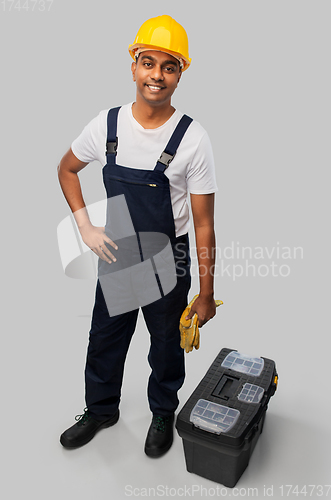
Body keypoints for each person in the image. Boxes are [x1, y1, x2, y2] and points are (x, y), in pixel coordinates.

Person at [57, 15, 218, 458]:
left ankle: (163, 412)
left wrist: (206, 293)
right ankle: (101, 409)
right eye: (149, 63)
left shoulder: (193, 139)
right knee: (105, 337)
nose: (157, 75)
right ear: (133, 66)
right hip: (120, 250)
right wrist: (86, 227)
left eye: (169, 67)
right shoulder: (106, 125)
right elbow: (67, 169)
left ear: (180, 75)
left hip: (172, 255)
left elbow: (204, 223)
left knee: (167, 344)